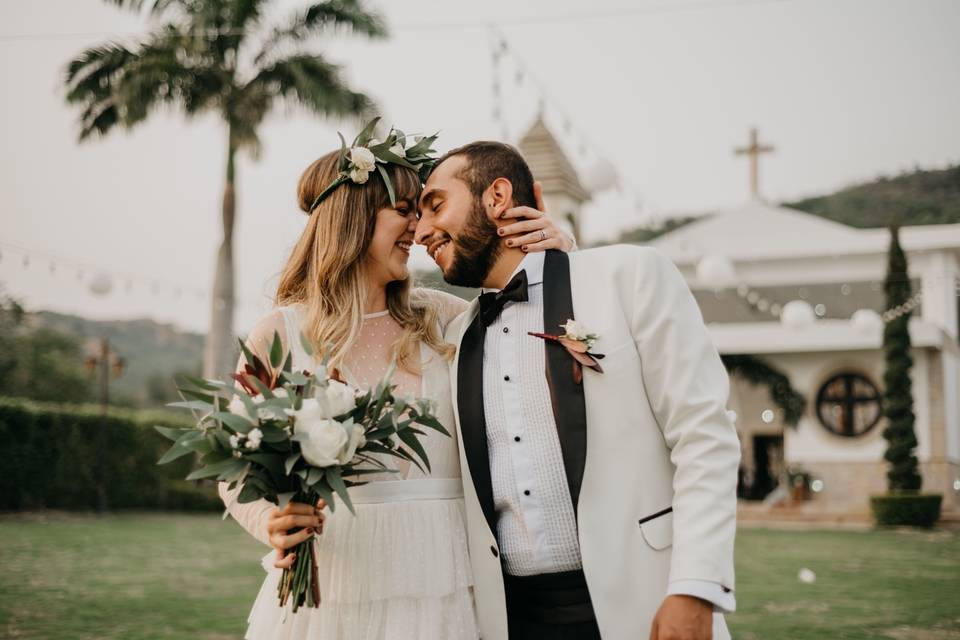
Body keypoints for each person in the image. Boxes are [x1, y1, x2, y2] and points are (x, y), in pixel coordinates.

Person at [216, 125, 575, 640]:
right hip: (334, 588)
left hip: (447, 585)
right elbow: (236, 464)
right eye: (405, 209)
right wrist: (269, 521)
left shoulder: (449, 319)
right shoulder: (281, 333)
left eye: (426, 209)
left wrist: (560, 254)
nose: (421, 227)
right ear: (354, 218)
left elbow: (533, 311)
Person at [414, 141, 741, 640]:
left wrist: (696, 587)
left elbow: (704, 437)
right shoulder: (456, 338)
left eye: (435, 205)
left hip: (642, 597)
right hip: (511, 618)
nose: (421, 232)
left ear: (496, 196)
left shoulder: (629, 278)